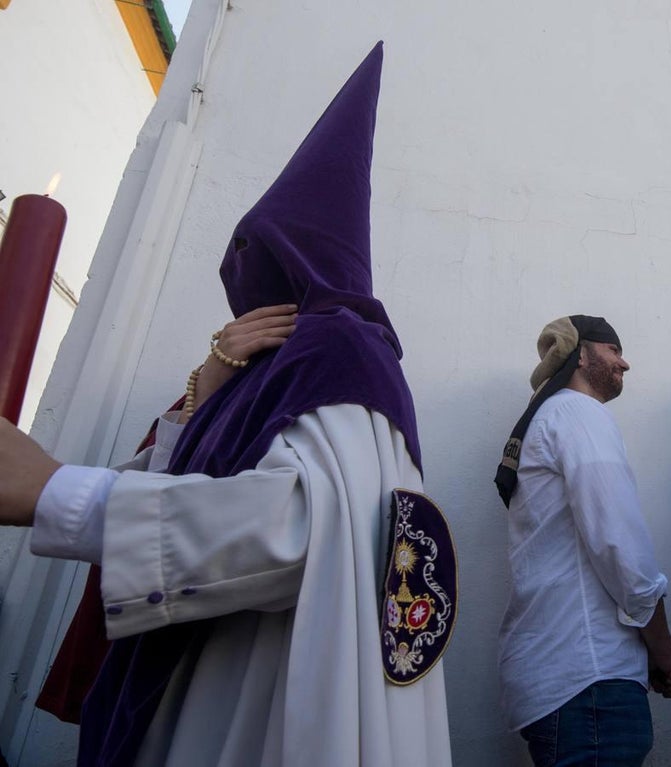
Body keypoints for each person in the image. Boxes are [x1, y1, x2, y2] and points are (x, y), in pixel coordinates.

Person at [0, 42, 455, 767]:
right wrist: (202, 400)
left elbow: (291, 526)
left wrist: (59, 493)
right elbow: (209, 490)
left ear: (296, 248)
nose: (239, 266)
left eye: (258, 245)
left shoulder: (338, 351)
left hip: (252, 690)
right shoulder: (277, 364)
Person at [493, 315, 671, 766]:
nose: (625, 363)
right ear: (580, 354)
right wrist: (662, 650)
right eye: (612, 350)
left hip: (570, 679)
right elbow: (620, 547)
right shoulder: (576, 412)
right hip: (588, 681)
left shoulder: (551, 418)